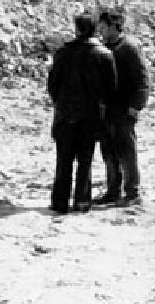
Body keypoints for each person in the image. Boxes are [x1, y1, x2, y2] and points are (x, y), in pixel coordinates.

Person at [47, 14, 116, 214]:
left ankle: (60, 202)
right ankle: (82, 201)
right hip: (92, 117)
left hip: (65, 115)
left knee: (64, 160)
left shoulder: (63, 53)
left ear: (77, 29)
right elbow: (110, 89)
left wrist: (61, 104)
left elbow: (52, 85)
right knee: (85, 161)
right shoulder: (104, 55)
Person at [95, 8, 150, 207]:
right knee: (109, 152)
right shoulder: (103, 48)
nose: (100, 30)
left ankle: (132, 192)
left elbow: (142, 80)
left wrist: (136, 106)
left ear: (113, 27)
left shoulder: (129, 48)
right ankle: (112, 191)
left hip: (124, 109)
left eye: (103, 27)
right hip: (106, 110)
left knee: (127, 152)